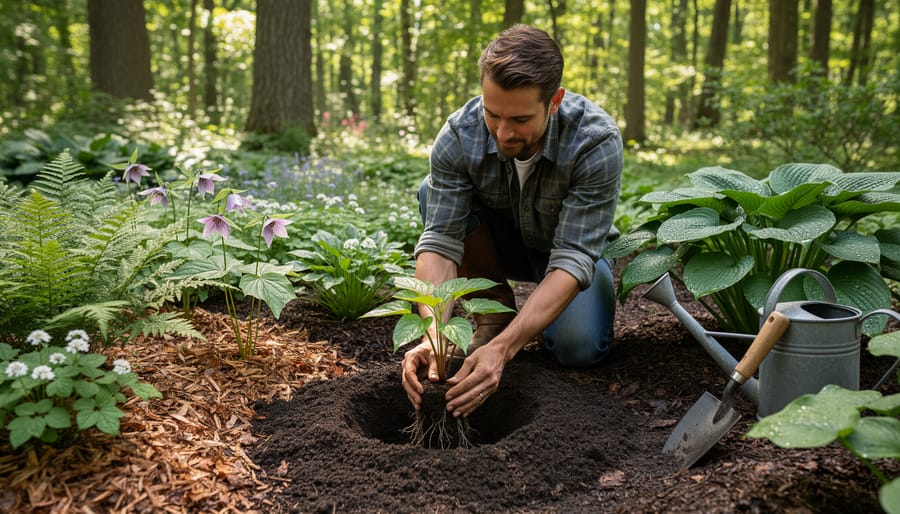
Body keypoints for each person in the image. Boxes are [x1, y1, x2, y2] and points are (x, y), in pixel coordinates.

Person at [402, 24, 623, 419]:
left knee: (579, 348)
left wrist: (503, 350)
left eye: (520, 119)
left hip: (565, 255)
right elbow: (440, 243)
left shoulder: (594, 141)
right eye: (492, 114)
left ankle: (504, 335)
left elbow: (573, 258)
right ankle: (495, 313)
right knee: (427, 190)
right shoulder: (458, 135)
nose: (503, 133)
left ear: (554, 101)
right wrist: (433, 334)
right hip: (496, 247)